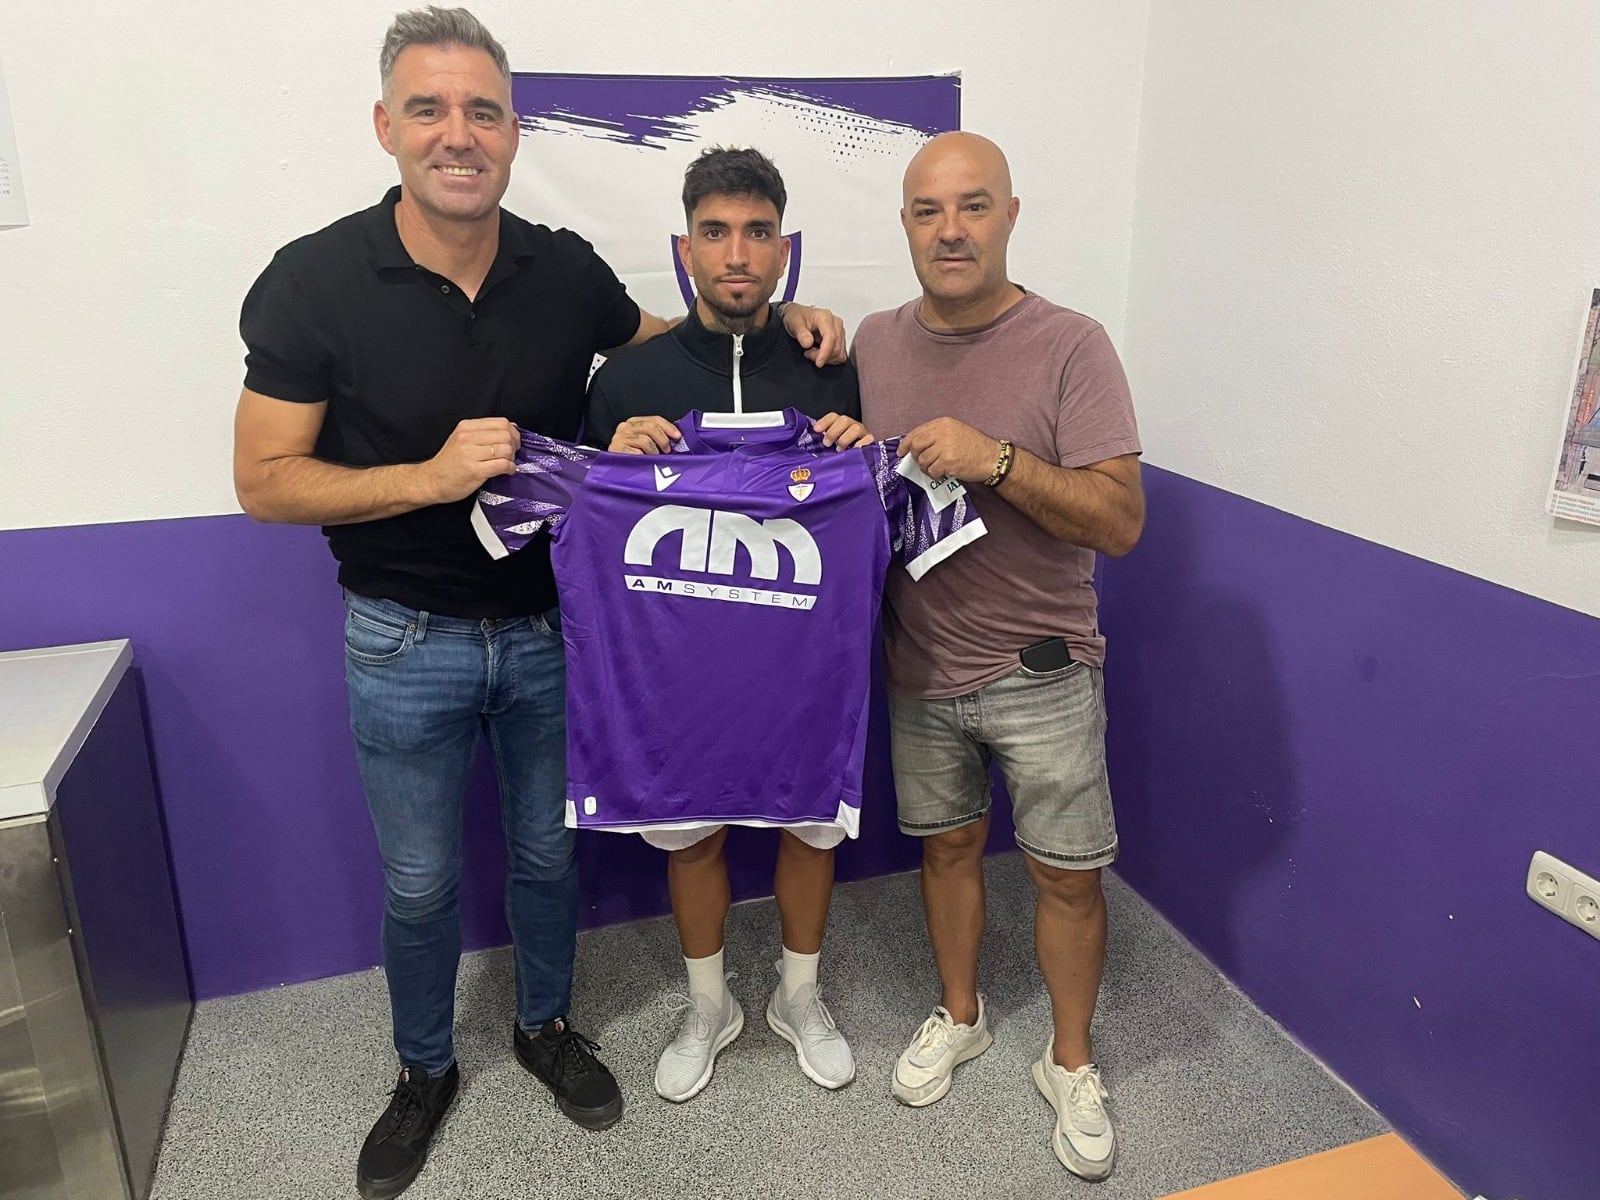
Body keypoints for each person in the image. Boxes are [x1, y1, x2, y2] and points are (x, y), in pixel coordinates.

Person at [231, 10, 845, 1198]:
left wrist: (794, 328)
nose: (457, 135)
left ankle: (546, 1030)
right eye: (429, 109)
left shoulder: (561, 269)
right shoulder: (313, 279)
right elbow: (261, 481)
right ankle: (421, 1074)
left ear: (513, 132)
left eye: (482, 112)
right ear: (385, 126)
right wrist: (430, 476)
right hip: (399, 634)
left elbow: (672, 346)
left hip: (554, 632)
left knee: (545, 857)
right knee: (417, 881)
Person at [853, 131, 1145, 1182]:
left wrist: (1002, 460)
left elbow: (1119, 522)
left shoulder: (1072, 344)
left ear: (1011, 215)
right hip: (918, 667)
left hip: (1042, 670)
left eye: (973, 206)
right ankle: (962, 1015)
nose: (951, 229)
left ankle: (1070, 1062)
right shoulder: (874, 342)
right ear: (905, 226)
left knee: (1068, 879)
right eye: (928, 212)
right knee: (945, 852)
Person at [585, 146, 870, 1103]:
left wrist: (860, 450)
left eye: (756, 233)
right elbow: (581, 516)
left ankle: (799, 994)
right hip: (677, 677)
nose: (736, 254)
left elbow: (873, 500)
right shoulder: (627, 381)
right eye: (715, 232)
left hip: (800, 664)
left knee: (809, 827)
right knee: (693, 835)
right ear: (684, 247)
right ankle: (710, 1004)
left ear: (785, 248)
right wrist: (610, 458)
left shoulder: (834, 367)